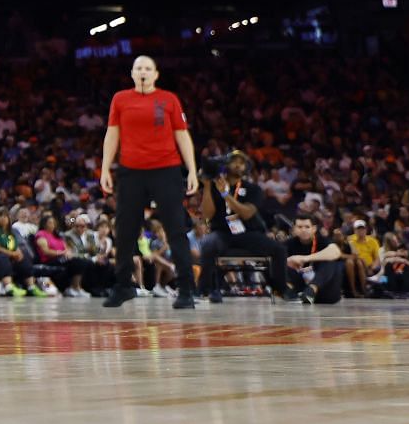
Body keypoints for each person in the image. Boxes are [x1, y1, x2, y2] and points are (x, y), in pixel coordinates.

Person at [99, 55, 198, 309]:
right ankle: (123, 286)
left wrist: (192, 171)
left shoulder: (169, 99)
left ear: (156, 74)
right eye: (138, 68)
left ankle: (186, 289)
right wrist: (105, 169)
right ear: (132, 73)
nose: (143, 72)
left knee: (176, 229)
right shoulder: (120, 99)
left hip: (166, 169)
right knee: (125, 229)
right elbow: (112, 134)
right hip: (131, 171)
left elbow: (182, 135)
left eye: (147, 68)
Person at [197, 151, 289, 302]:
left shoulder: (254, 189)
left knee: (279, 249)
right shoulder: (214, 186)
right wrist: (207, 187)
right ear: (225, 165)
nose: (238, 164)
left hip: (249, 233)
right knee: (208, 244)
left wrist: (226, 195)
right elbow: (207, 215)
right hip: (222, 233)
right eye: (234, 161)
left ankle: (281, 289)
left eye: (242, 162)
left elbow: (247, 213)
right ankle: (204, 290)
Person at [283, 215, 346, 304]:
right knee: (281, 263)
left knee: (330, 261)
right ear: (294, 229)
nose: (303, 230)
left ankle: (312, 290)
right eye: (300, 227)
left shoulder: (322, 241)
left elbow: (336, 252)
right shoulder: (289, 243)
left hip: (324, 289)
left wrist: (304, 259)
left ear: (314, 229)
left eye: (307, 227)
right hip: (300, 286)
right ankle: (289, 291)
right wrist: (289, 261)